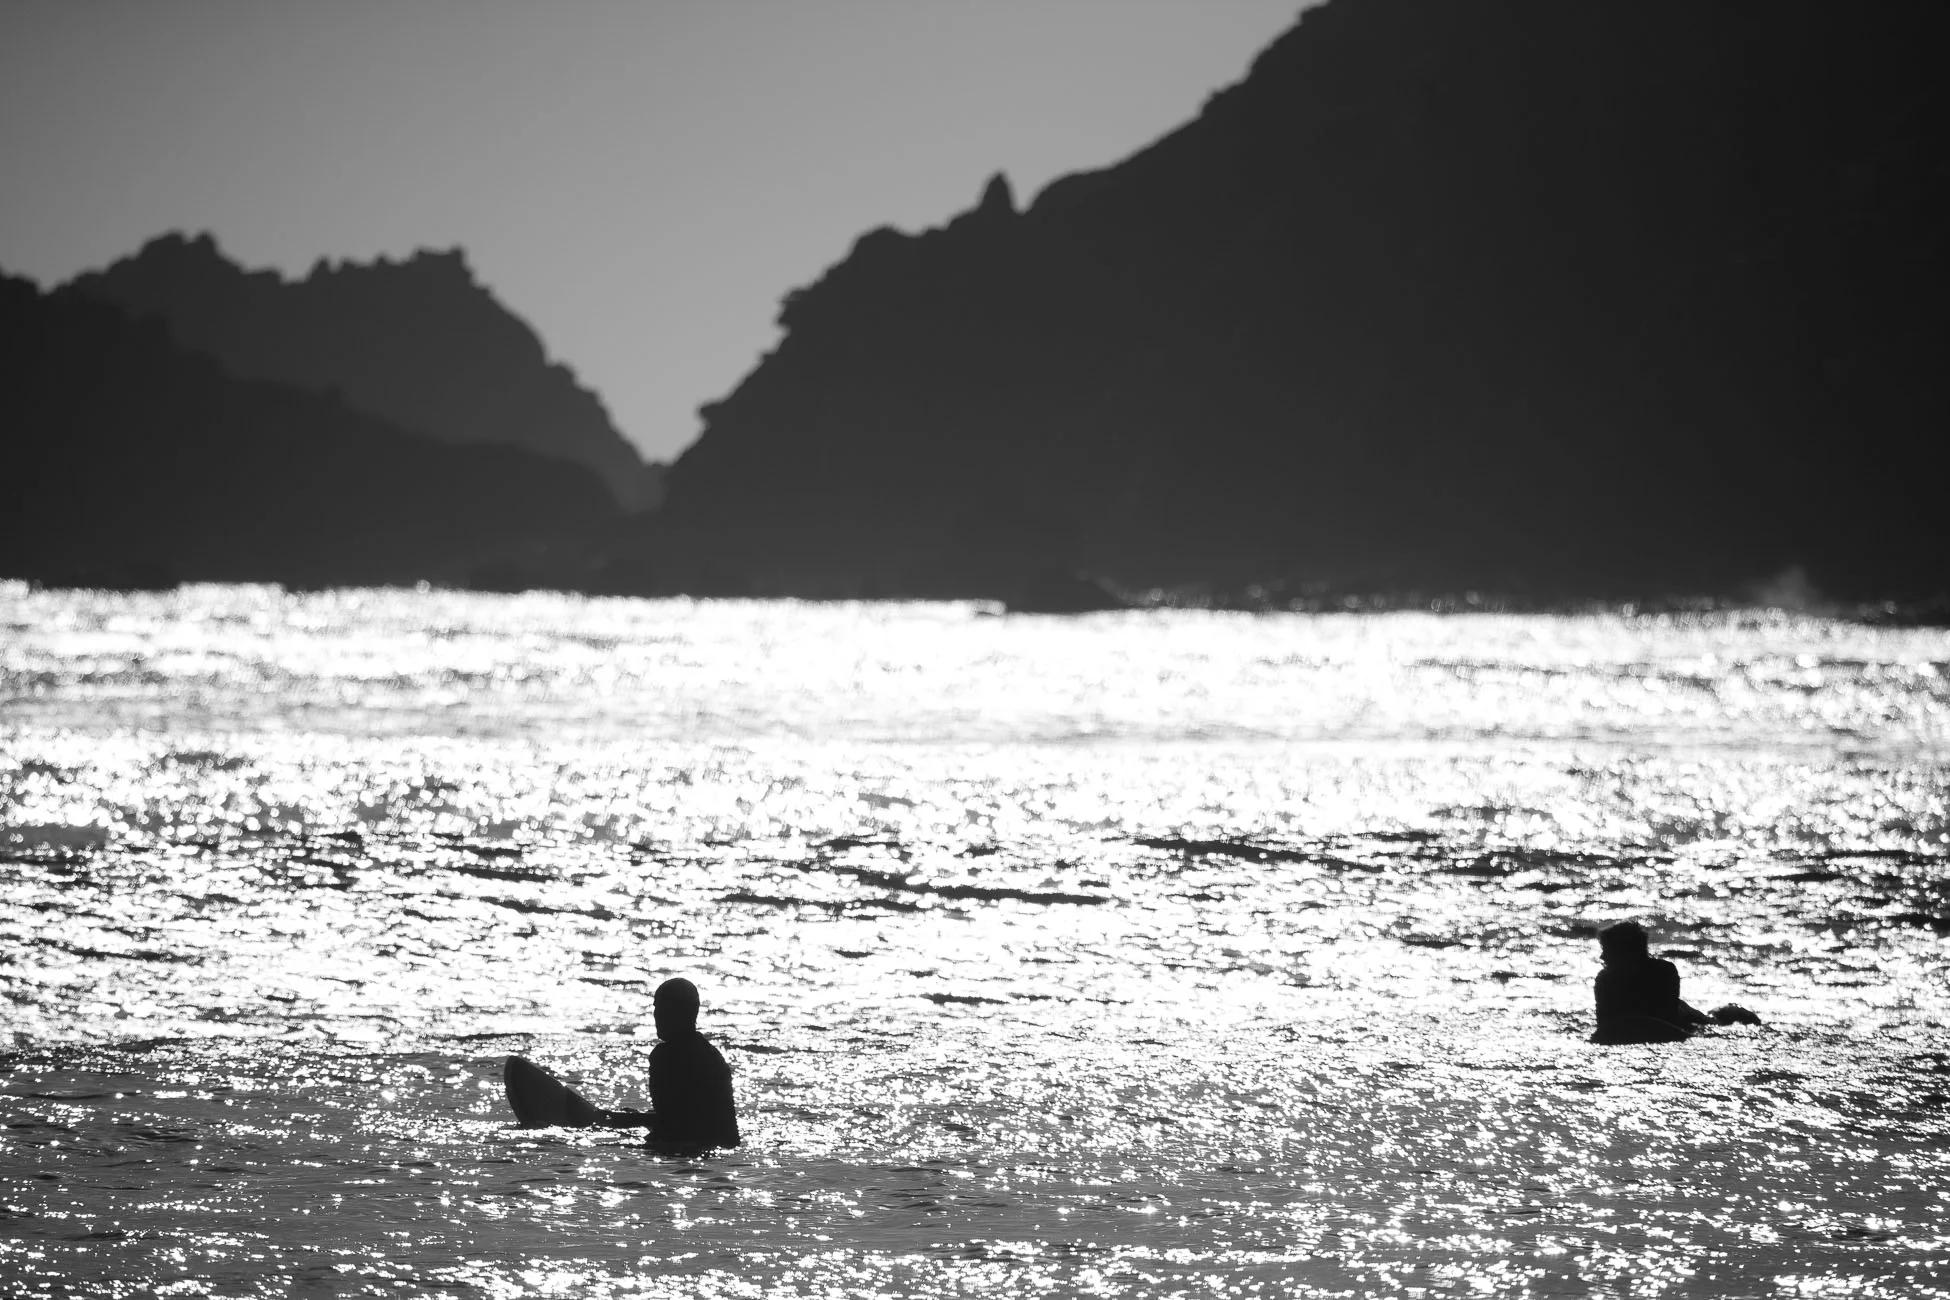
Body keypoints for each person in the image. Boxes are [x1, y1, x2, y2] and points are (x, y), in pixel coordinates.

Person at [504, 977, 741, 1149]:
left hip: (685, 1151)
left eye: (660, 1008)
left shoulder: (666, 1056)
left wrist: (630, 1122)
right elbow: (689, 1116)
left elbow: (676, 1126)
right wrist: (638, 1119)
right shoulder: (712, 1056)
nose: (656, 1015)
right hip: (722, 1150)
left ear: (677, 1013)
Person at [1591, 921, 1760, 1044]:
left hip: (1682, 1015)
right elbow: (1604, 1023)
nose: (1602, 957)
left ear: (1628, 952)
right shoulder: (1604, 979)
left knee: (1713, 1022)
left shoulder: (1663, 971)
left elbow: (1667, 1016)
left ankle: (1732, 1012)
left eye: (1607, 950)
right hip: (1660, 1019)